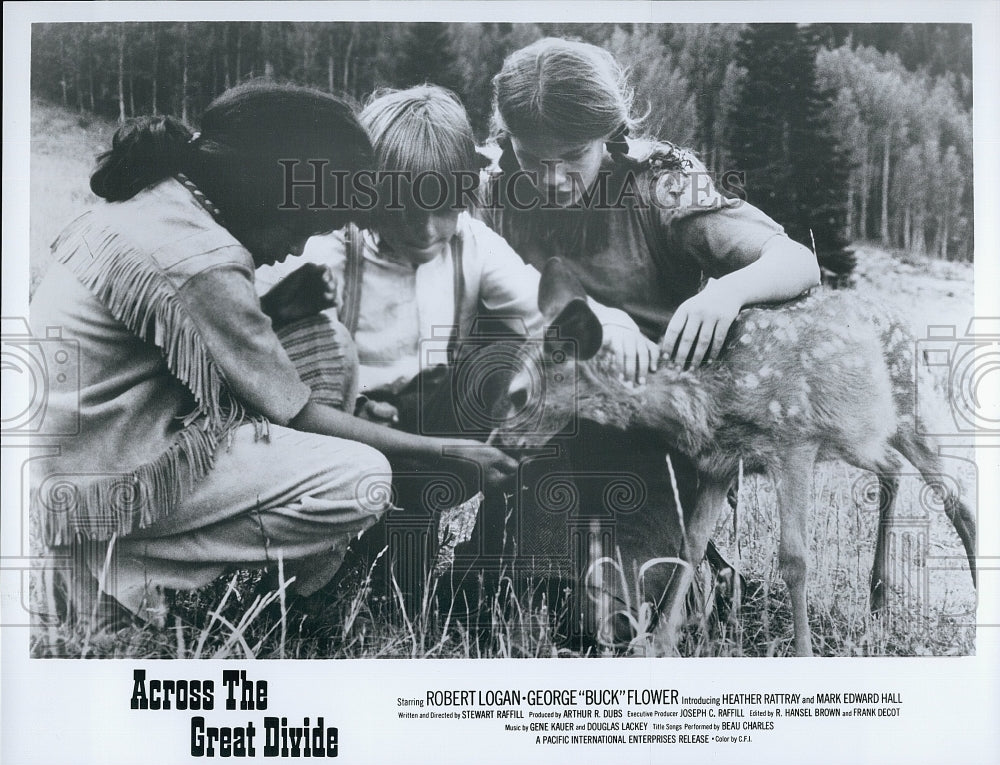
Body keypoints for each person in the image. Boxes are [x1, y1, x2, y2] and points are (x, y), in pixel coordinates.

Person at [29, 82, 512, 634]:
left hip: (97, 441)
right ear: (268, 194)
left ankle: (294, 564)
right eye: (302, 227)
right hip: (97, 483)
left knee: (327, 347)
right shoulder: (207, 258)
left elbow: (232, 353)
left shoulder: (168, 198)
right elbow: (296, 413)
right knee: (364, 480)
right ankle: (130, 570)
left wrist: (283, 320)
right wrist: (445, 448)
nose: (299, 248)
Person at [480, 38, 822, 644]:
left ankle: (700, 577)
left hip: (657, 439)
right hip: (553, 429)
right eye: (535, 158)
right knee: (505, 597)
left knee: (608, 620)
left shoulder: (663, 185)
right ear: (508, 140)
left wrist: (727, 292)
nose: (553, 179)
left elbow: (795, 260)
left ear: (610, 132)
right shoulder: (494, 189)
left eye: (573, 156)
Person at [254, 85, 644, 608]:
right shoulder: (325, 253)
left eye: (444, 206)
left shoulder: (472, 244)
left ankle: (518, 579)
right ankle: (333, 568)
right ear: (367, 191)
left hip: (435, 427)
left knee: (531, 378)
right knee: (374, 596)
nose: (426, 229)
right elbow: (276, 376)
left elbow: (545, 312)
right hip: (350, 441)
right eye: (403, 209)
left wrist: (613, 323)